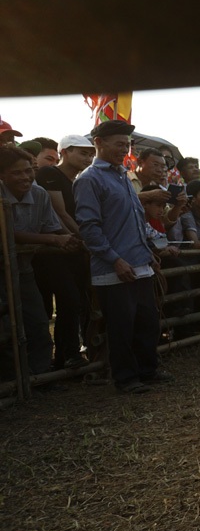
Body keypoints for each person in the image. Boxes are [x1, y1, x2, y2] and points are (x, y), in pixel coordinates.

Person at [73, 120, 173, 394]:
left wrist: (148, 252)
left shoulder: (124, 176)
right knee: (121, 326)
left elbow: (137, 219)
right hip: (114, 268)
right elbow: (89, 228)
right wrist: (115, 260)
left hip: (139, 263)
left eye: (126, 144)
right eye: (118, 143)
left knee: (147, 323)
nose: (123, 149)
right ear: (98, 143)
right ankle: (126, 378)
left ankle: (147, 370)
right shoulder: (89, 180)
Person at [1, 145, 83, 380]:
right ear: (2, 175)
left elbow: (52, 225)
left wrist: (69, 239)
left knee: (37, 323)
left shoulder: (39, 195)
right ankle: (11, 380)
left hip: (24, 269)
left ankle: (39, 376)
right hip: (3, 270)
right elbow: (8, 234)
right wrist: (54, 239)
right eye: (17, 172)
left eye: (28, 171)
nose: (25, 177)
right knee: (6, 327)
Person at [32, 134, 96, 369]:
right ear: (65, 152)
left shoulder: (77, 182)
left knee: (77, 301)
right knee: (63, 303)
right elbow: (60, 213)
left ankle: (67, 355)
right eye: (82, 152)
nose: (87, 158)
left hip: (74, 249)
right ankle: (56, 358)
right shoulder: (50, 174)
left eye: (90, 154)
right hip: (53, 251)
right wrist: (89, 239)